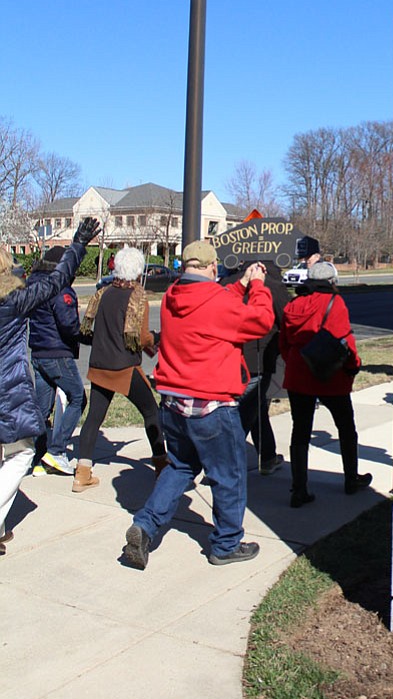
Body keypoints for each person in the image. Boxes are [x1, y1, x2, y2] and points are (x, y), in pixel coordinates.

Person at [122, 241, 274, 570]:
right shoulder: (218, 301)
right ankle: (226, 544)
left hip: (173, 403)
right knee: (228, 476)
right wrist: (258, 286)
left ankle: (145, 526)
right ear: (212, 268)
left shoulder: (171, 297)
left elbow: (212, 304)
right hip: (212, 406)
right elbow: (260, 321)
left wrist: (240, 285)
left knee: (179, 467)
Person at [0, 218, 100, 553]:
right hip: (8, 387)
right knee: (22, 452)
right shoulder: (15, 303)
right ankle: (54, 453)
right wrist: (79, 244)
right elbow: (58, 281)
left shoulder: (21, 300)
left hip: (26, 370)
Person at [74, 246, 168, 492]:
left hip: (99, 364)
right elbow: (143, 337)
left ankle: (82, 473)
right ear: (138, 271)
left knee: (94, 418)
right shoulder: (138, 298)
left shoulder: (102, 293)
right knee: (151, 413)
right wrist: (157, 338)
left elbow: (89, 329)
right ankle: (161, 467)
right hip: (124, 366)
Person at [279, 259, 372, 507]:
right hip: (331, 376)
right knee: (346, 428)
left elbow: (284, 344)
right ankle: (351, 479)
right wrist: (353, 366)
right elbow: (344, 339)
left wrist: (296, 362)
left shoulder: (293, 304)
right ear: (332, 281)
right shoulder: (334, 302)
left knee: (300, 432)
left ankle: (299, 489)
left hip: (299, 375)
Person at [224, 260, 289, 475]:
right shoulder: (273, 286)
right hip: (260, 361)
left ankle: (268, 456)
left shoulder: (227, 282)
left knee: (256, 409)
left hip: (230, 358)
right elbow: (287, 321)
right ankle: (224, 465)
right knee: (244, 414)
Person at [27, 245, 87, 476]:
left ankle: (37, 457)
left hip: (39, 353)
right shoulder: (60, 287)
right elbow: (68, 324)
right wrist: (84, 335)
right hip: (57, 353)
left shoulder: (35, 283)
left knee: (42, 408)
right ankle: (57, 450)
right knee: (78, 397)